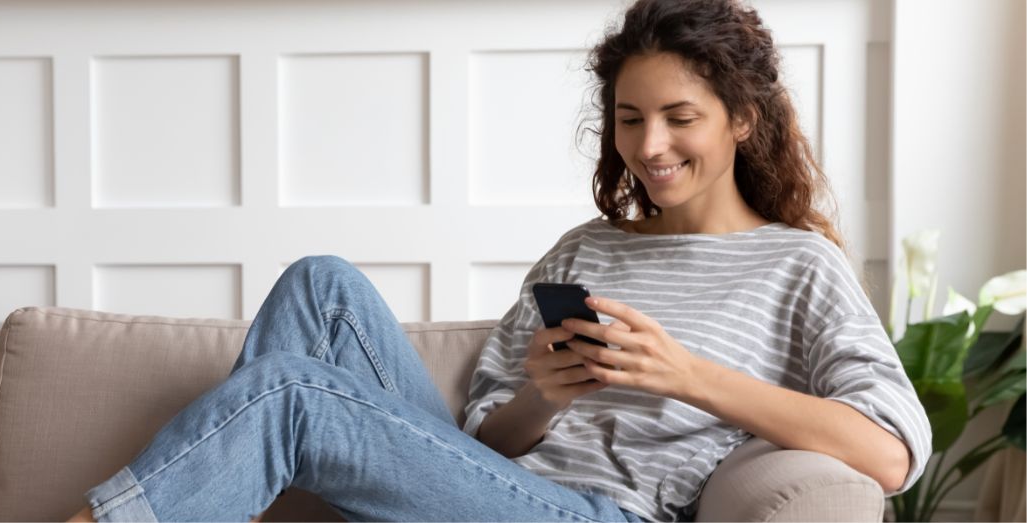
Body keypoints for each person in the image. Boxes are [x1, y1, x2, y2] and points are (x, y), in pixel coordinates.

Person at [69, 0, 931, 520]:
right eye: (630, 119)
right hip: (497, 490)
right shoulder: (584, 248)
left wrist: (686, 374)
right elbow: (483, 431)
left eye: (679, 117)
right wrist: (543, 397)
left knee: (293, 391)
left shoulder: (796, 265)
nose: (650, 145)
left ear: (741, 118)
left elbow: (890, 452)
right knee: (319, 284)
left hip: (607, 513)